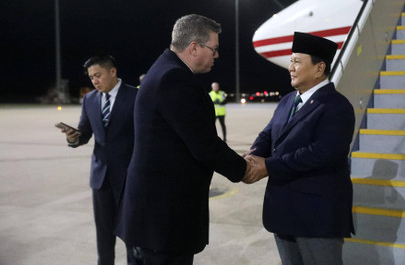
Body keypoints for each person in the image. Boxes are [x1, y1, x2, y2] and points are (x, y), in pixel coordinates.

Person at [115, 14, 259, 265]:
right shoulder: (174, 79)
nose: (217, 55)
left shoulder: (162, 69)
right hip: (163, 222)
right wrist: (244, 169)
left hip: (148, 218)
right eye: (214, 49)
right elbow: (203, 145)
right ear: (194, 47)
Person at [246, 32, 356, 265]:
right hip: (283, 212)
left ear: (319, 68)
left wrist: (268, 165)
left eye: (297, 61)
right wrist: (254, 155)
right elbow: (268, 134)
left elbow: (321, 154)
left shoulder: (337, 106)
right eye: (291, 61)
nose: (290, 67)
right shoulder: (288, 100)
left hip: (316, 216)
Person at [58, 54, 137, 265]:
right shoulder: (90, 99)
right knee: (103, 234)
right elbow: (84, 132)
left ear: (112, 72)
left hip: (130, 178)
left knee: (132, 234)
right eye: (91, 77)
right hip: (101, 178)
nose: (94, 81)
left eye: (98, 75)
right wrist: (73, 137)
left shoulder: (135, 97)